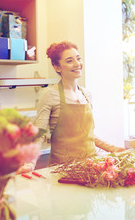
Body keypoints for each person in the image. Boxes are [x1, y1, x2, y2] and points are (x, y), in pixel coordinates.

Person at [17, 41, 125, 173]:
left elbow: (86, 134)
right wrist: (30, 163)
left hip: (91, 166)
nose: (77, 64)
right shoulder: (49, 94)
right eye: (69, 61)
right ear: (57, 67)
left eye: (78, 58)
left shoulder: (86, 94)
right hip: (63, 169)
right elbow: (39, 134)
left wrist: (113, 148)